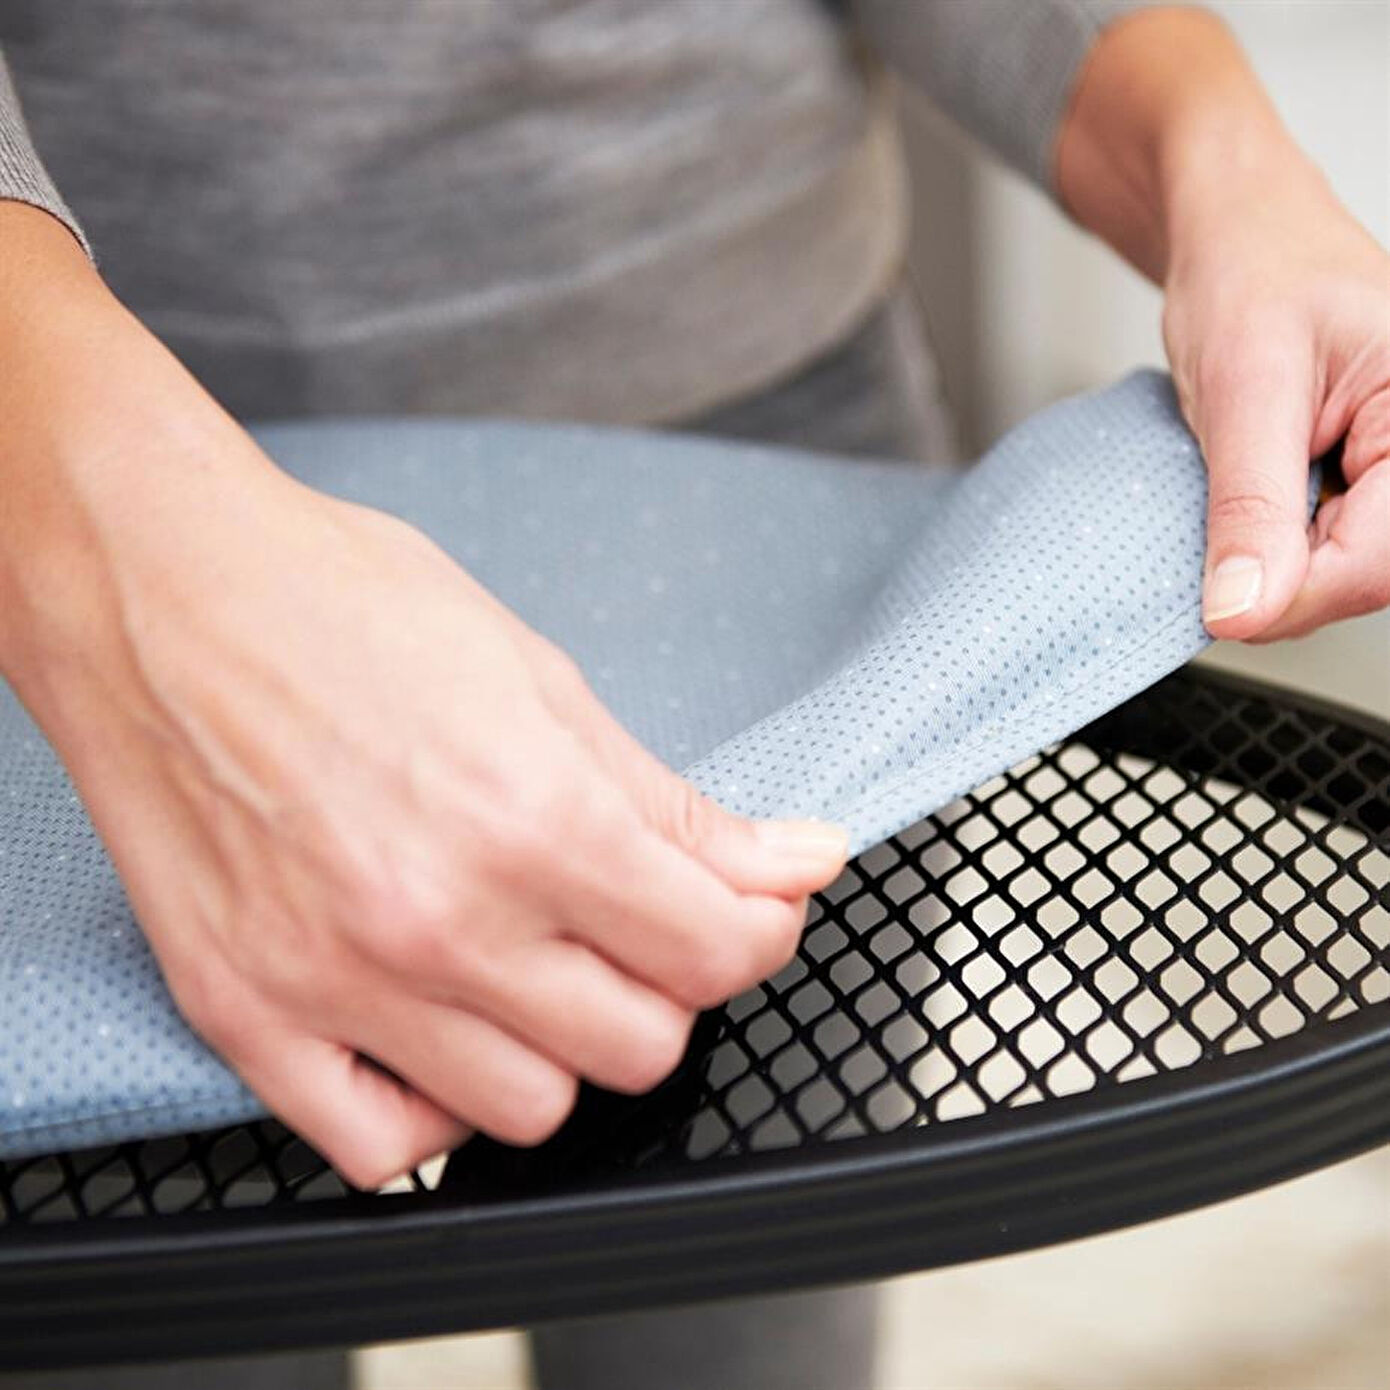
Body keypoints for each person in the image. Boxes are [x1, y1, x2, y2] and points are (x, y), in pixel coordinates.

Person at [0, 3, 1385, 1388]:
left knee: (736, 1345)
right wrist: (109, 545)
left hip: (784, 490)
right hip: (77, 507)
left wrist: (1220, 162)